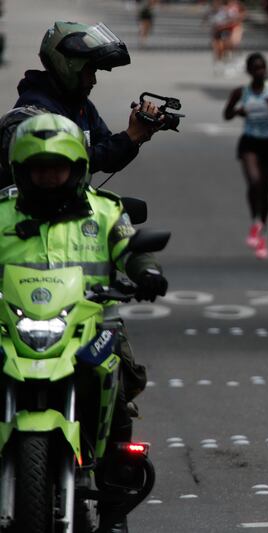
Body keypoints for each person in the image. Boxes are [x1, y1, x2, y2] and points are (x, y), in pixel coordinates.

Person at [3, 113, 168, 533]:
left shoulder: (104, 210)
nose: (49, 177)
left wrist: (146, 272)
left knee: (120, 379)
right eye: (39, 169)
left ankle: (113, 506)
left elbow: (130, 246)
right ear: (22, 170)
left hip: (88, 327)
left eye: (57, 167)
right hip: (12, 326)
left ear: (77, 168)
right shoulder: (2, 211)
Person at [4, 21, 162, 187]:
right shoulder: (37, 108)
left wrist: (137, 135)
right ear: (67, 66)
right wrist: (130, 136)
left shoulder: (81, 105)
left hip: (69, 202)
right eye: (90, 71)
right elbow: (67, 163)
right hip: (38, 206)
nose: (94, 80)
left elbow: (108, 160)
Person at [223, 52, 268, 260]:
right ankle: (255, 220)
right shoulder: (240, 92)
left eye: (262, 67)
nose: (259, 71)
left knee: (265, 191)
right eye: (255, 68)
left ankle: (261, 229)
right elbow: (226, 115)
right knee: (254, 183)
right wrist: (238, 112)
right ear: (249, 71)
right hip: (249, 143)